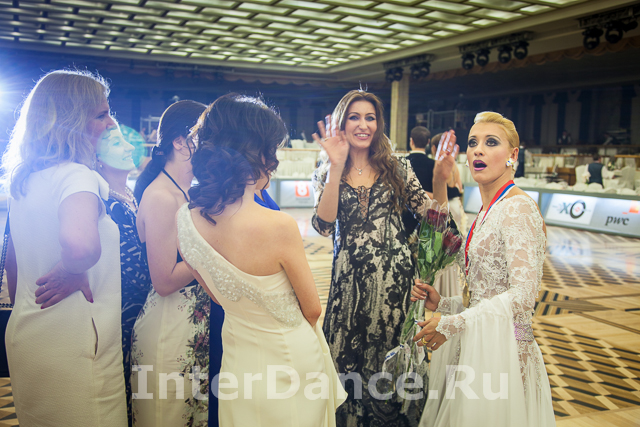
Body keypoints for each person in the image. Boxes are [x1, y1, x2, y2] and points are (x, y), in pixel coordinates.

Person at [177, 93, 345, 426]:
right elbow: (312, 309)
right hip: (289, 358)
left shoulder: (185, 218)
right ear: (260, 153)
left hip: (237, 356)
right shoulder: (278, 225)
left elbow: (216, 295)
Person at [311, 89, 457, 426]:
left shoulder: (397, 166)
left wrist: (439, 181)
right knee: (346, 370)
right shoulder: (326, 169)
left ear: (379, 125)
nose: (363, 125)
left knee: (390, 371)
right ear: (342, 123)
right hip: (348, 290)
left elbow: (436, 221)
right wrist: (335, 168)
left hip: (395, 288)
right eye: (355, 117)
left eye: (370, 118)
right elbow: (323, 226)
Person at [412, 112, 555, 427]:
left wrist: (455, 323)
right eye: (473, 143)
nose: (478, 150)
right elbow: (484, 293)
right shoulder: (488, 209)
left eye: (491, 142)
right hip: (481, 343)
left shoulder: (517, 208)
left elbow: (523, 298)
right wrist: (445, 304)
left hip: (505, 350)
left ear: (512, 155)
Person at [2, 69, 127, 425]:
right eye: (101, 114)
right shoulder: (77, 176)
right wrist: (71, 268)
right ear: (73, 121)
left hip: (29, 332)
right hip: (76, 340)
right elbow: (80, 246)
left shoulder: (24, 180)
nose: (110, 123)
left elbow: (12, 262)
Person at [131, 100, 216, 427]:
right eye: (207, 136)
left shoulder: (186, 192)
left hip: (192, 330)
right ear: (180, 142)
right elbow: (164, 280)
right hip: (168, 331)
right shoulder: (161, 197)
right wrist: (212, 249)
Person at [96, 123, 152, 426]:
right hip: (120, 316)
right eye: (118, 143)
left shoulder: (129, 193)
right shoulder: (102, 201)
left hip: (141, 310)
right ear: (98, 158)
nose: (132, 147)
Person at [401, 126, 434, 236]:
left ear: (411, 141)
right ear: (428, 142)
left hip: (404, 217)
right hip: (427, 217)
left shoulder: (402, 164)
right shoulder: (433, 165)